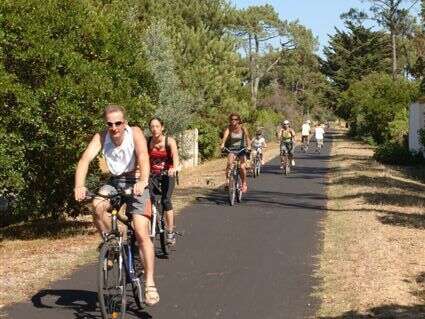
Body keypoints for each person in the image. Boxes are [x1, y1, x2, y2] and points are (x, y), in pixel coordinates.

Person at [74, 104, 159, 306]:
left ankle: (150, 284)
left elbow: (143, 157)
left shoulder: (135, 132)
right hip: (115, 181)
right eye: (110, 124)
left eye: (118, 123)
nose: (114, 127)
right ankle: (111, 243)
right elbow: (85, 159)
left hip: (137, 181)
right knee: (96, 204)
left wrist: (142, 180)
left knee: (140, 231)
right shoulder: (102, 137)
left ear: (125, 123)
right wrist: (79, 185)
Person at [148, 117, 180, 246]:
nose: (154, 129)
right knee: (149, 200)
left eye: (157, 126)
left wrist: (174, 168)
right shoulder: (148, 141)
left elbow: (175, 156)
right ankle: (154, 223)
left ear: (162, 127)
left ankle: (170, 231)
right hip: (152, 175)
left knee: (166, 200)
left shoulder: (169, 141)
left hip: (167, 174)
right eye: (152, 127)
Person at [220, 113, 251, 193]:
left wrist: (248, 146)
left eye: (235, 119)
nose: (233, 121)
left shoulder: (243, 128)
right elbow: (225, 137)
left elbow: (247, 137)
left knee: (242, 167)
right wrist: (222, 144)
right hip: (232, 149)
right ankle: (227, 181)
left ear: (238, 120)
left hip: (241, 149)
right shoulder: (229, 128)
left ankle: (244, 183)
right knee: (229, 164)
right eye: (232, 119)